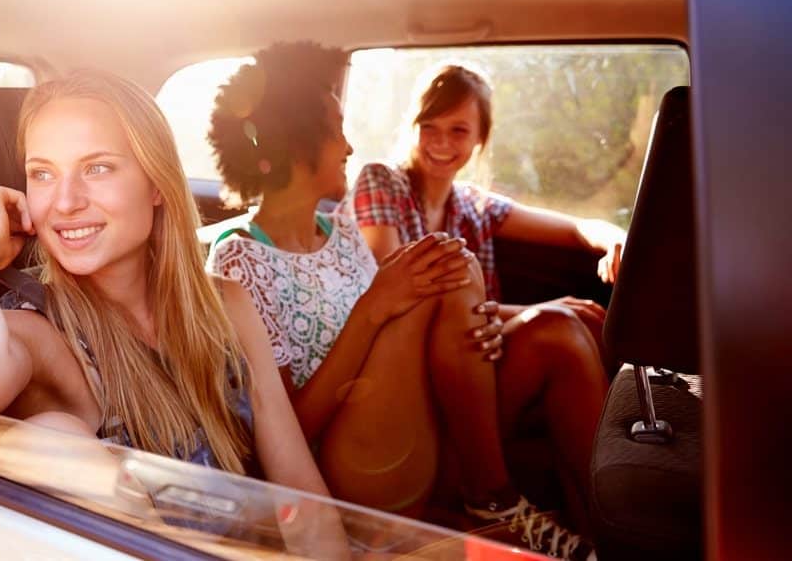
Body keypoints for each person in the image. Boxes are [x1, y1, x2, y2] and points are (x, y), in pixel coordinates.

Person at [206, 42, 599, 560]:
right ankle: (492, 497)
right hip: (337, 467)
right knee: (448, 268)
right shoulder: (239, 262)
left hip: (404, 428)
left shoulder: (344, 235)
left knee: (555, 329)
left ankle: (609, 530)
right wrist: (373, 310)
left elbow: (398, 339)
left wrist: (473, 325)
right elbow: (287, 433)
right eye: (336, 130)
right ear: (295, 144)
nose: (349, 146)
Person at [0, 70, 335, 510]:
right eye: (42, 174)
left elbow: (301, 494)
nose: (65, 202)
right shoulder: (41, 335)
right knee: (50, 437)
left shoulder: (225, 304)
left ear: (156, 183)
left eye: (96, 168)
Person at [342, 62, 618, 529]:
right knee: (556, 326)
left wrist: (616, 239)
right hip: (406, 386)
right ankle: (511, 499)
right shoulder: (380, 182)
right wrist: (532, 310)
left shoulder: (473, 205)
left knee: (580, 323)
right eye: (429, 127)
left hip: (471, 375)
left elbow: (574, 227)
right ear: (412, 127)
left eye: (458, 130)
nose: (441, 143)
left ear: (479, 139)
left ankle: (599, 524)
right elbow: (399, 297)